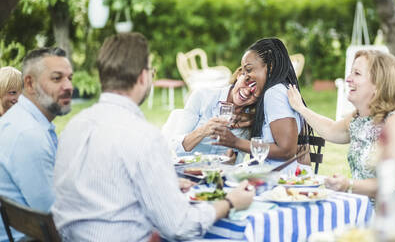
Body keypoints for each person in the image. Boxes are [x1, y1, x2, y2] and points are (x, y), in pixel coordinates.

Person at [52, 32, 254, 242]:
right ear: (142, 77)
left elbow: (101, 186)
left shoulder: (72, 128)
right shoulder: (144, 137)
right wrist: (230, 202)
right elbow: (181, 226)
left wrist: (164, 183)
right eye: (152, 71)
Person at [287, 50, 395, 241]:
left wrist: (347, 185)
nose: (348, 79)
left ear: (379, 85)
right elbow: (332, 130)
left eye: (357, 74)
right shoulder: (360, 118)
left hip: (393, 224)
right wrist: (301, 108)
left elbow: (388, 185)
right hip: (360, 211)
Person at [0, 48, 73, 242]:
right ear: (30, 84)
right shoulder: (28, 135)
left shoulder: (24, 122)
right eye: (57, 78)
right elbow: (59, 225)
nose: (68, 86)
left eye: (69, 78)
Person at [215, 37, 312, 172]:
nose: (246, 76)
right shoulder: (282, 89)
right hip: (281, 178)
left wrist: (236, 142)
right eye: (243, 72)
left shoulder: (274, 93)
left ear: (270, 66)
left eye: (249, 69)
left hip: (281, 181)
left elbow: (286, 150)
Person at [169, 67, 257, 161]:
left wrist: (234, 157)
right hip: (187, 170)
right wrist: (203, 131)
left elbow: (238, 160)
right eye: (247, 81)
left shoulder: (251, 119)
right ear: (239, 75)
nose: (247, 91)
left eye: (255, 89)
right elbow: (175, 148)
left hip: (221, 173)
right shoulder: (202, 96)